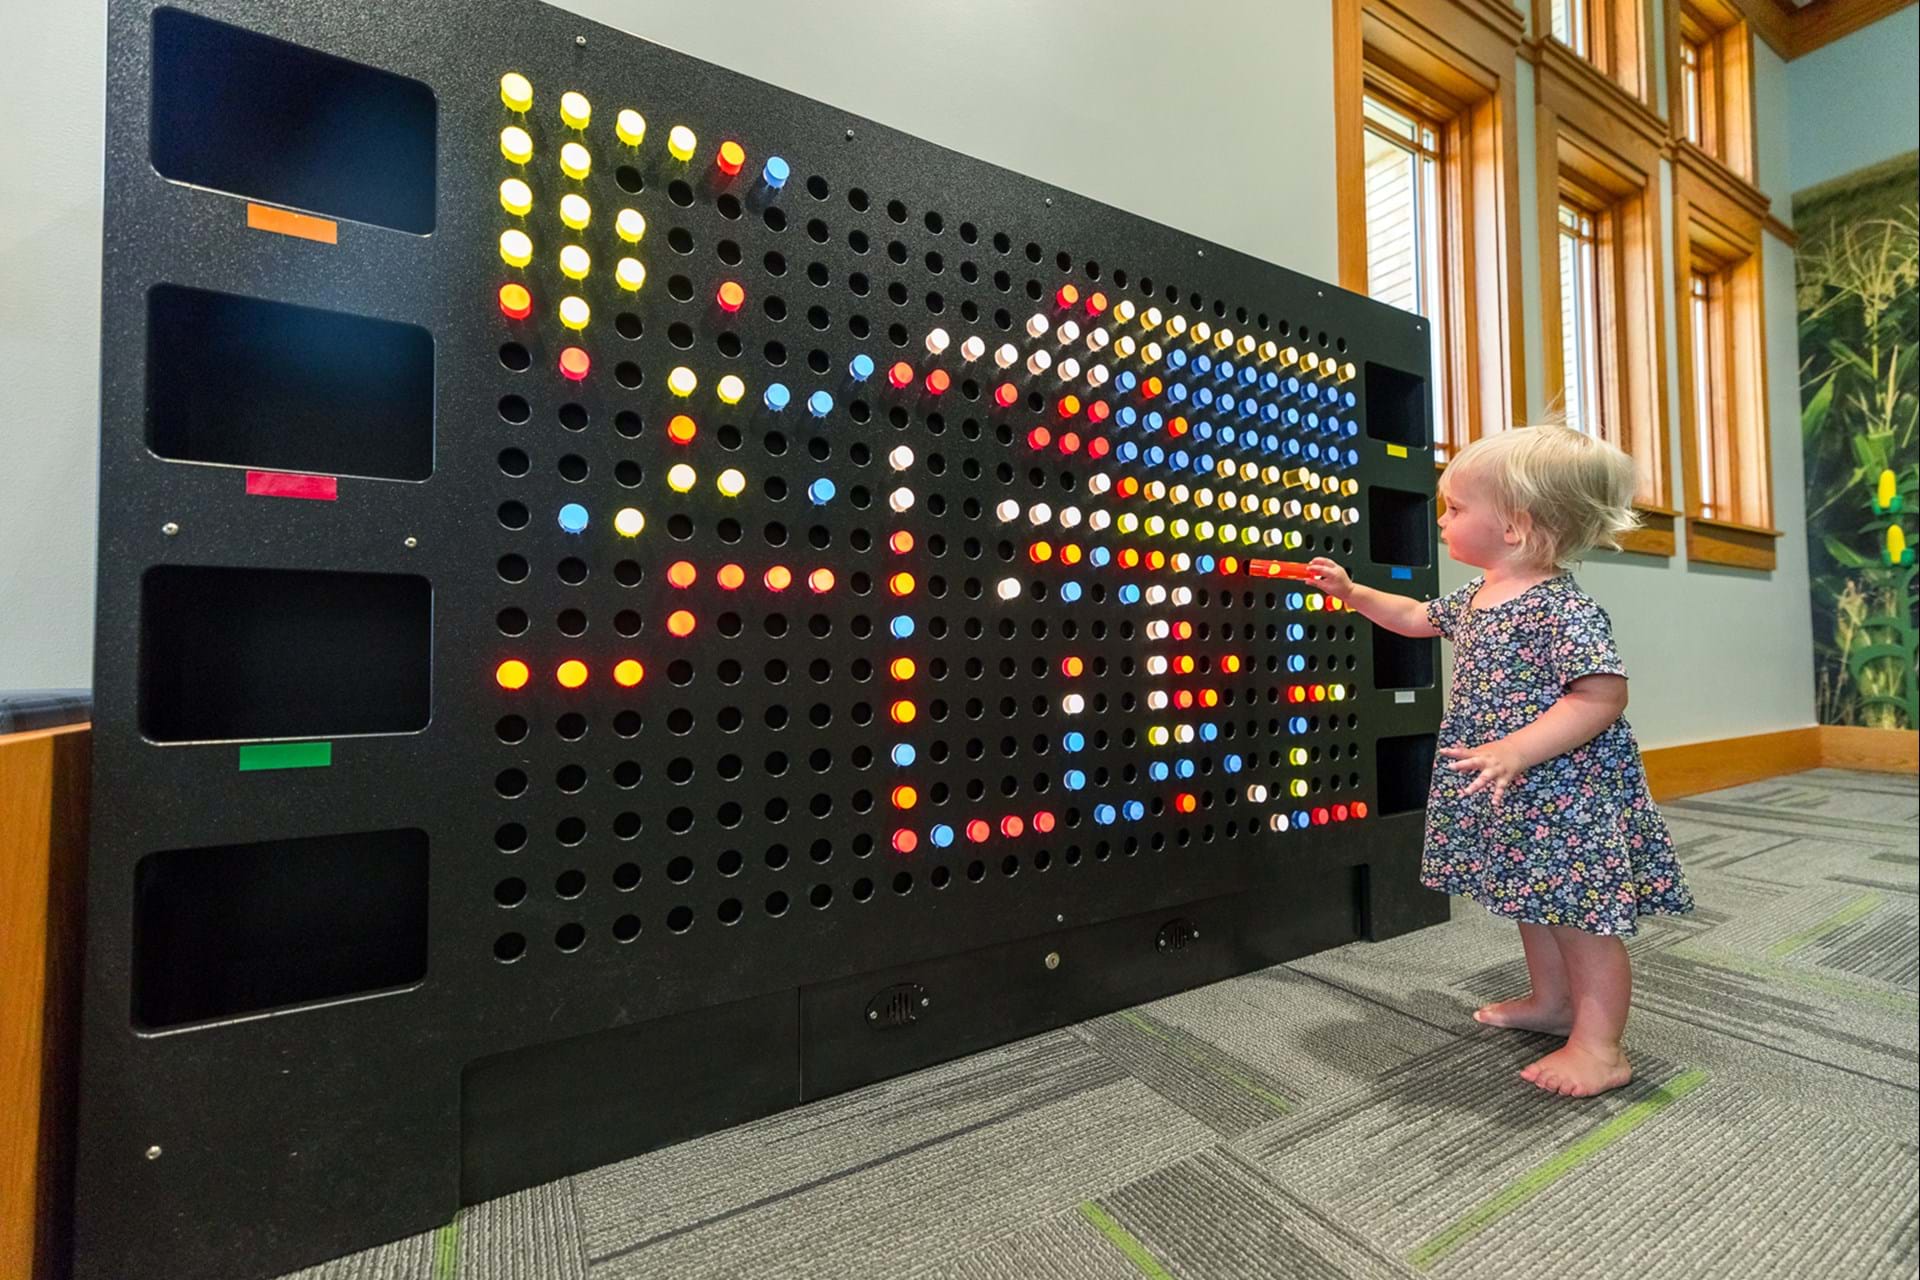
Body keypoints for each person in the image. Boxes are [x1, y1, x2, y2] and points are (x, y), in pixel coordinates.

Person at [1308, 423, 1692, 1097]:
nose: (1443, 520)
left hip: (1564, 787)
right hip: (1513, 785)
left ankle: (1602, 1048)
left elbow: (1601, 695)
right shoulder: (1480, 595)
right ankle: (1553, 1003)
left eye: (1455, 508)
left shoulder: (1560, 609)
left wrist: (1517, 747)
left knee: (1580, 912)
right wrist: (1353, 593)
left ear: (1513, 526)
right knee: (1532, 898)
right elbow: (1413, 616)